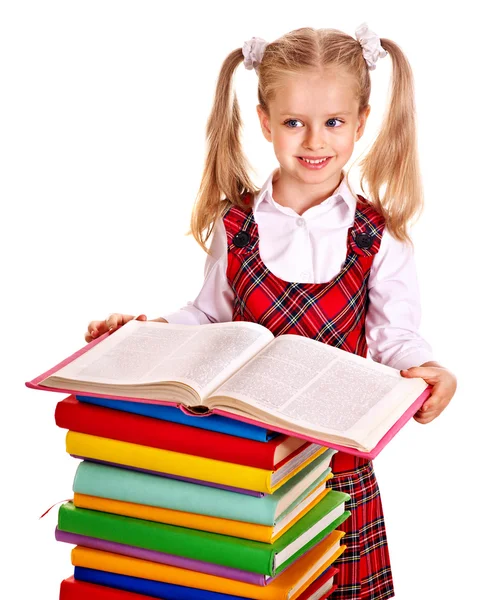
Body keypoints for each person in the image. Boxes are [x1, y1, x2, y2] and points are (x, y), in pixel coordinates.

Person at [85, 22, 457, 600]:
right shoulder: (236, 226)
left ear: (361, 122)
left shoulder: (377, 234)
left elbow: (395, 336)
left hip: (335, 467)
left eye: (333, 122)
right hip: (244, 462)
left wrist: (426, 370)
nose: (314, 141)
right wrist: (149, 332)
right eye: (293, 123)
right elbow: (209, 317)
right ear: (264, 122)